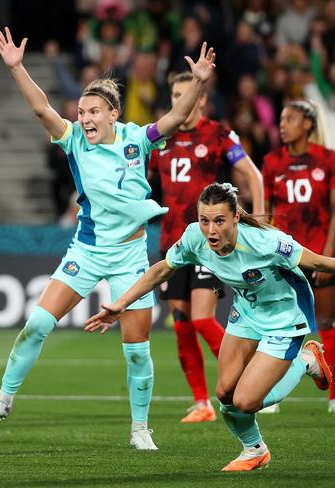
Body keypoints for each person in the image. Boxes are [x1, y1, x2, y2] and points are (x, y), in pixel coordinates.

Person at [0, 26, 216, 450]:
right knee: (36, 324)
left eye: (93, 111)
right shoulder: (73, 142)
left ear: (112, 114)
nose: (84, 118)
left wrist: (198, 81)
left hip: (130, 258)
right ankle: (4, 398)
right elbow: (42, 109)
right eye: (82, 112)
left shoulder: (139, 140)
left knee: (137, 350)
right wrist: (17, 69)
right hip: (86, 251)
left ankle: (140, 430)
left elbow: (175, 119)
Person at [86, 182, 332, 471]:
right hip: (246, 314)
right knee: (225, 394)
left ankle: (307, 360)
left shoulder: (264, 242)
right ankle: (254, 450)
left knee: (246, 401)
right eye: (204, 220)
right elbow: (162, 269)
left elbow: (317, 262)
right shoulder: (194, 238)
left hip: (284, 320)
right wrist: (122, 303)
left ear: (236, 218)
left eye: (219, 221)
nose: (211, 230)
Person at [149, 71, 264, 423]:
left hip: (208, 241)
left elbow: (253, 176)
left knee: (201, 318)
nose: (179, 100)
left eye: (187, 93)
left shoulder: (217, 134)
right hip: (172, 241)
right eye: (174, 94)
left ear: (201, 97)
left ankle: (253, 381)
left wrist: (259, 224)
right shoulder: (160, 138)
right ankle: (202, 403)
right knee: (182, 322)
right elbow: (141, 182)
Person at [262, 100, 335, 413]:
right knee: (276, 326)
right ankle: (271, 392)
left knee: (328, 322)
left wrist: (328, 255)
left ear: (308, 123)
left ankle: (333, 395)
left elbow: (334, 212)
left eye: (290, 118)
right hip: (285, 258)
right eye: (281, 118)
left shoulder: (328, 160)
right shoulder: (271, 161)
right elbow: (265, 215)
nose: (283, 124)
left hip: (319, 251)